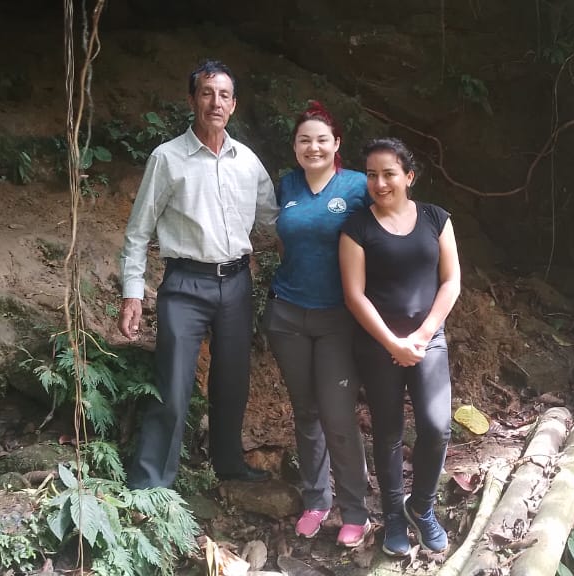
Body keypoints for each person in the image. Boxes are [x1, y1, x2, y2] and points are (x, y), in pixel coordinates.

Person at [119, 60, 279, 489]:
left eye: (224, 95)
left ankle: (229, 464)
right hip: (184, 284)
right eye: (207, 93)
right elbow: (138, 231)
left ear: (234, 105)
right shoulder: (167, 158)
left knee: (233, 381)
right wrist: (132, 294)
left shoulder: (247, 161)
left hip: (237, 283)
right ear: (192, 100)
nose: (215, 102)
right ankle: (151, 483)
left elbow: (276, 220)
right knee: (173, 384)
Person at [339, 138, 461, 556]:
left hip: (430, 339)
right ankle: (392, 513)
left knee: (437, 426)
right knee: (388, 431)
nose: (379, 183)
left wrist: (422, 336)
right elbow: (354, 295)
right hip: (378, 344)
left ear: (409, 176)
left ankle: (421, 507)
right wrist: (392, 342)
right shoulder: (357, 227)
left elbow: (451, 281)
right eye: (371, 175)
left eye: (389, 173)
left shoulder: (436, 218)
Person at [263, 102, 372, 546]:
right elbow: (282, 239)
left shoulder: (358, 186)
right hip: (288, 312)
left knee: (338, 413)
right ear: (294, 147)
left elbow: (387, 230)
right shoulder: (287, 184)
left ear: (336, 144)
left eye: (322, 140)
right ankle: (316, 500)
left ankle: (356, 510)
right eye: (304, 140)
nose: (313, 147)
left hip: (338, 317)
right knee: (306, 410)